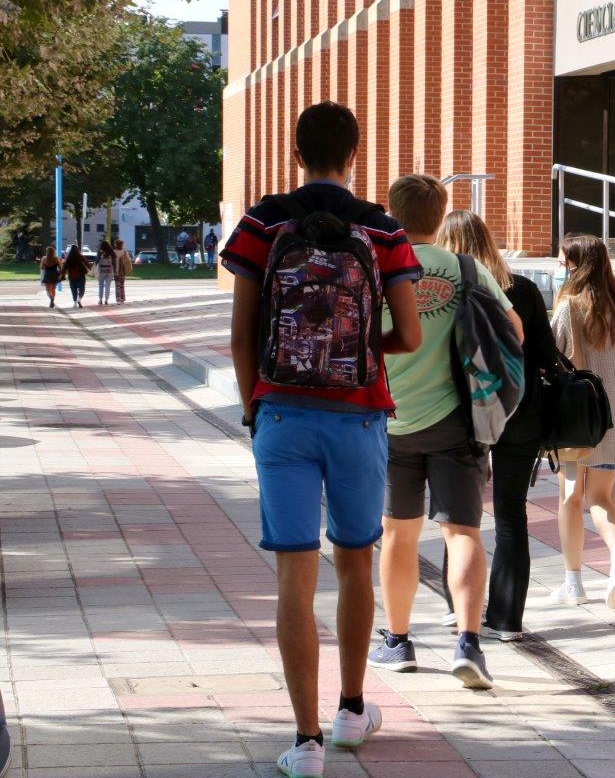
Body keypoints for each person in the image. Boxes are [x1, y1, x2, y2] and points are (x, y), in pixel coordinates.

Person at [221, 101, 424, 778]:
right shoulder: (385, 229)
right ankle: (351, 709)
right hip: (359, 415)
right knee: (355, 562)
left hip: (281, 414)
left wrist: (259, 406)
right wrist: (360, 349)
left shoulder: (261, 223)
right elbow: (410, 336)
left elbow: (242, 335)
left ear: (295, 151)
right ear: (355, 154)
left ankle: (305, 743)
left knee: (293, 574)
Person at [366, 175, 522, 691]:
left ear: (392, 212)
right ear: (441, 214)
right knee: (462, 533)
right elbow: (513, 329)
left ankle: (398, 641)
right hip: (457, 420)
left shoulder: (378, 266)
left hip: (390, 421)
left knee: (398, 533)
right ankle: (469, 643)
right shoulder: (464, 267)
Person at [435, 210, 557, 642]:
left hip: (459, 415)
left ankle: (458, 605)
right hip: (519, 412)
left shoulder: (442, 293)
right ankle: (506, 619)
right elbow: (546, 355)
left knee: (459, 515)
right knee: (510, 514)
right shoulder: (521, 290)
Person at [548, 234, 615, 609]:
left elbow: (551, 359)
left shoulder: (570, 308)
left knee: (570, 497)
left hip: (576, 422)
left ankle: (573, 581)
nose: (560, 269)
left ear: (575, 265)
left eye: (563, 262)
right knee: (603, 496)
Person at [95, 239, 116, 305]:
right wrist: (115, 270)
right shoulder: (111, 252)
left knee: (101, 285)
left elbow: (97, 261)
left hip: (101, 270)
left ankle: (100, 300)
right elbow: (114, 262)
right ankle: (106, 300)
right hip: (110, 270)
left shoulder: (100, 251)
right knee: (108, 285)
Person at [113, 239, 131, 303]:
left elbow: (111, 261)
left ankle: (118, 299)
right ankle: (122, 298)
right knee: (122, 285)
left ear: (115, 245)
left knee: (117, 285)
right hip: (122, 270)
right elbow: (128, 261)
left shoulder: (113, 251)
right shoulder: (124, 251)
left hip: (116, 270)